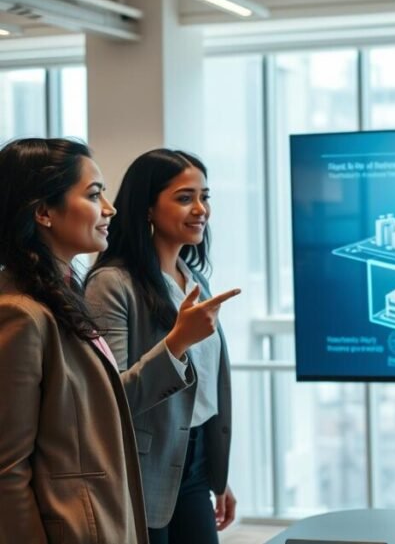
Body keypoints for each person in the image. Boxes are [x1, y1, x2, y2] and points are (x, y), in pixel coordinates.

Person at [0, 138, 156, 542]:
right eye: (93, 194)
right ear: (43, 212)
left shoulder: (63, 296)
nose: (110, 208)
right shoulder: (21, 312)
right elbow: (6, 470)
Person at [86, 149, 240, 544]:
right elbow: (112, 398)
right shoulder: (112, 284)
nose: (201, 209)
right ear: (148, 208)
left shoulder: (195, 281)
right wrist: (176, 343)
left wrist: (217, 476)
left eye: (205, 197)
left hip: (196, 462)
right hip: (142, 468)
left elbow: (207, 391)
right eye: (185, 197)